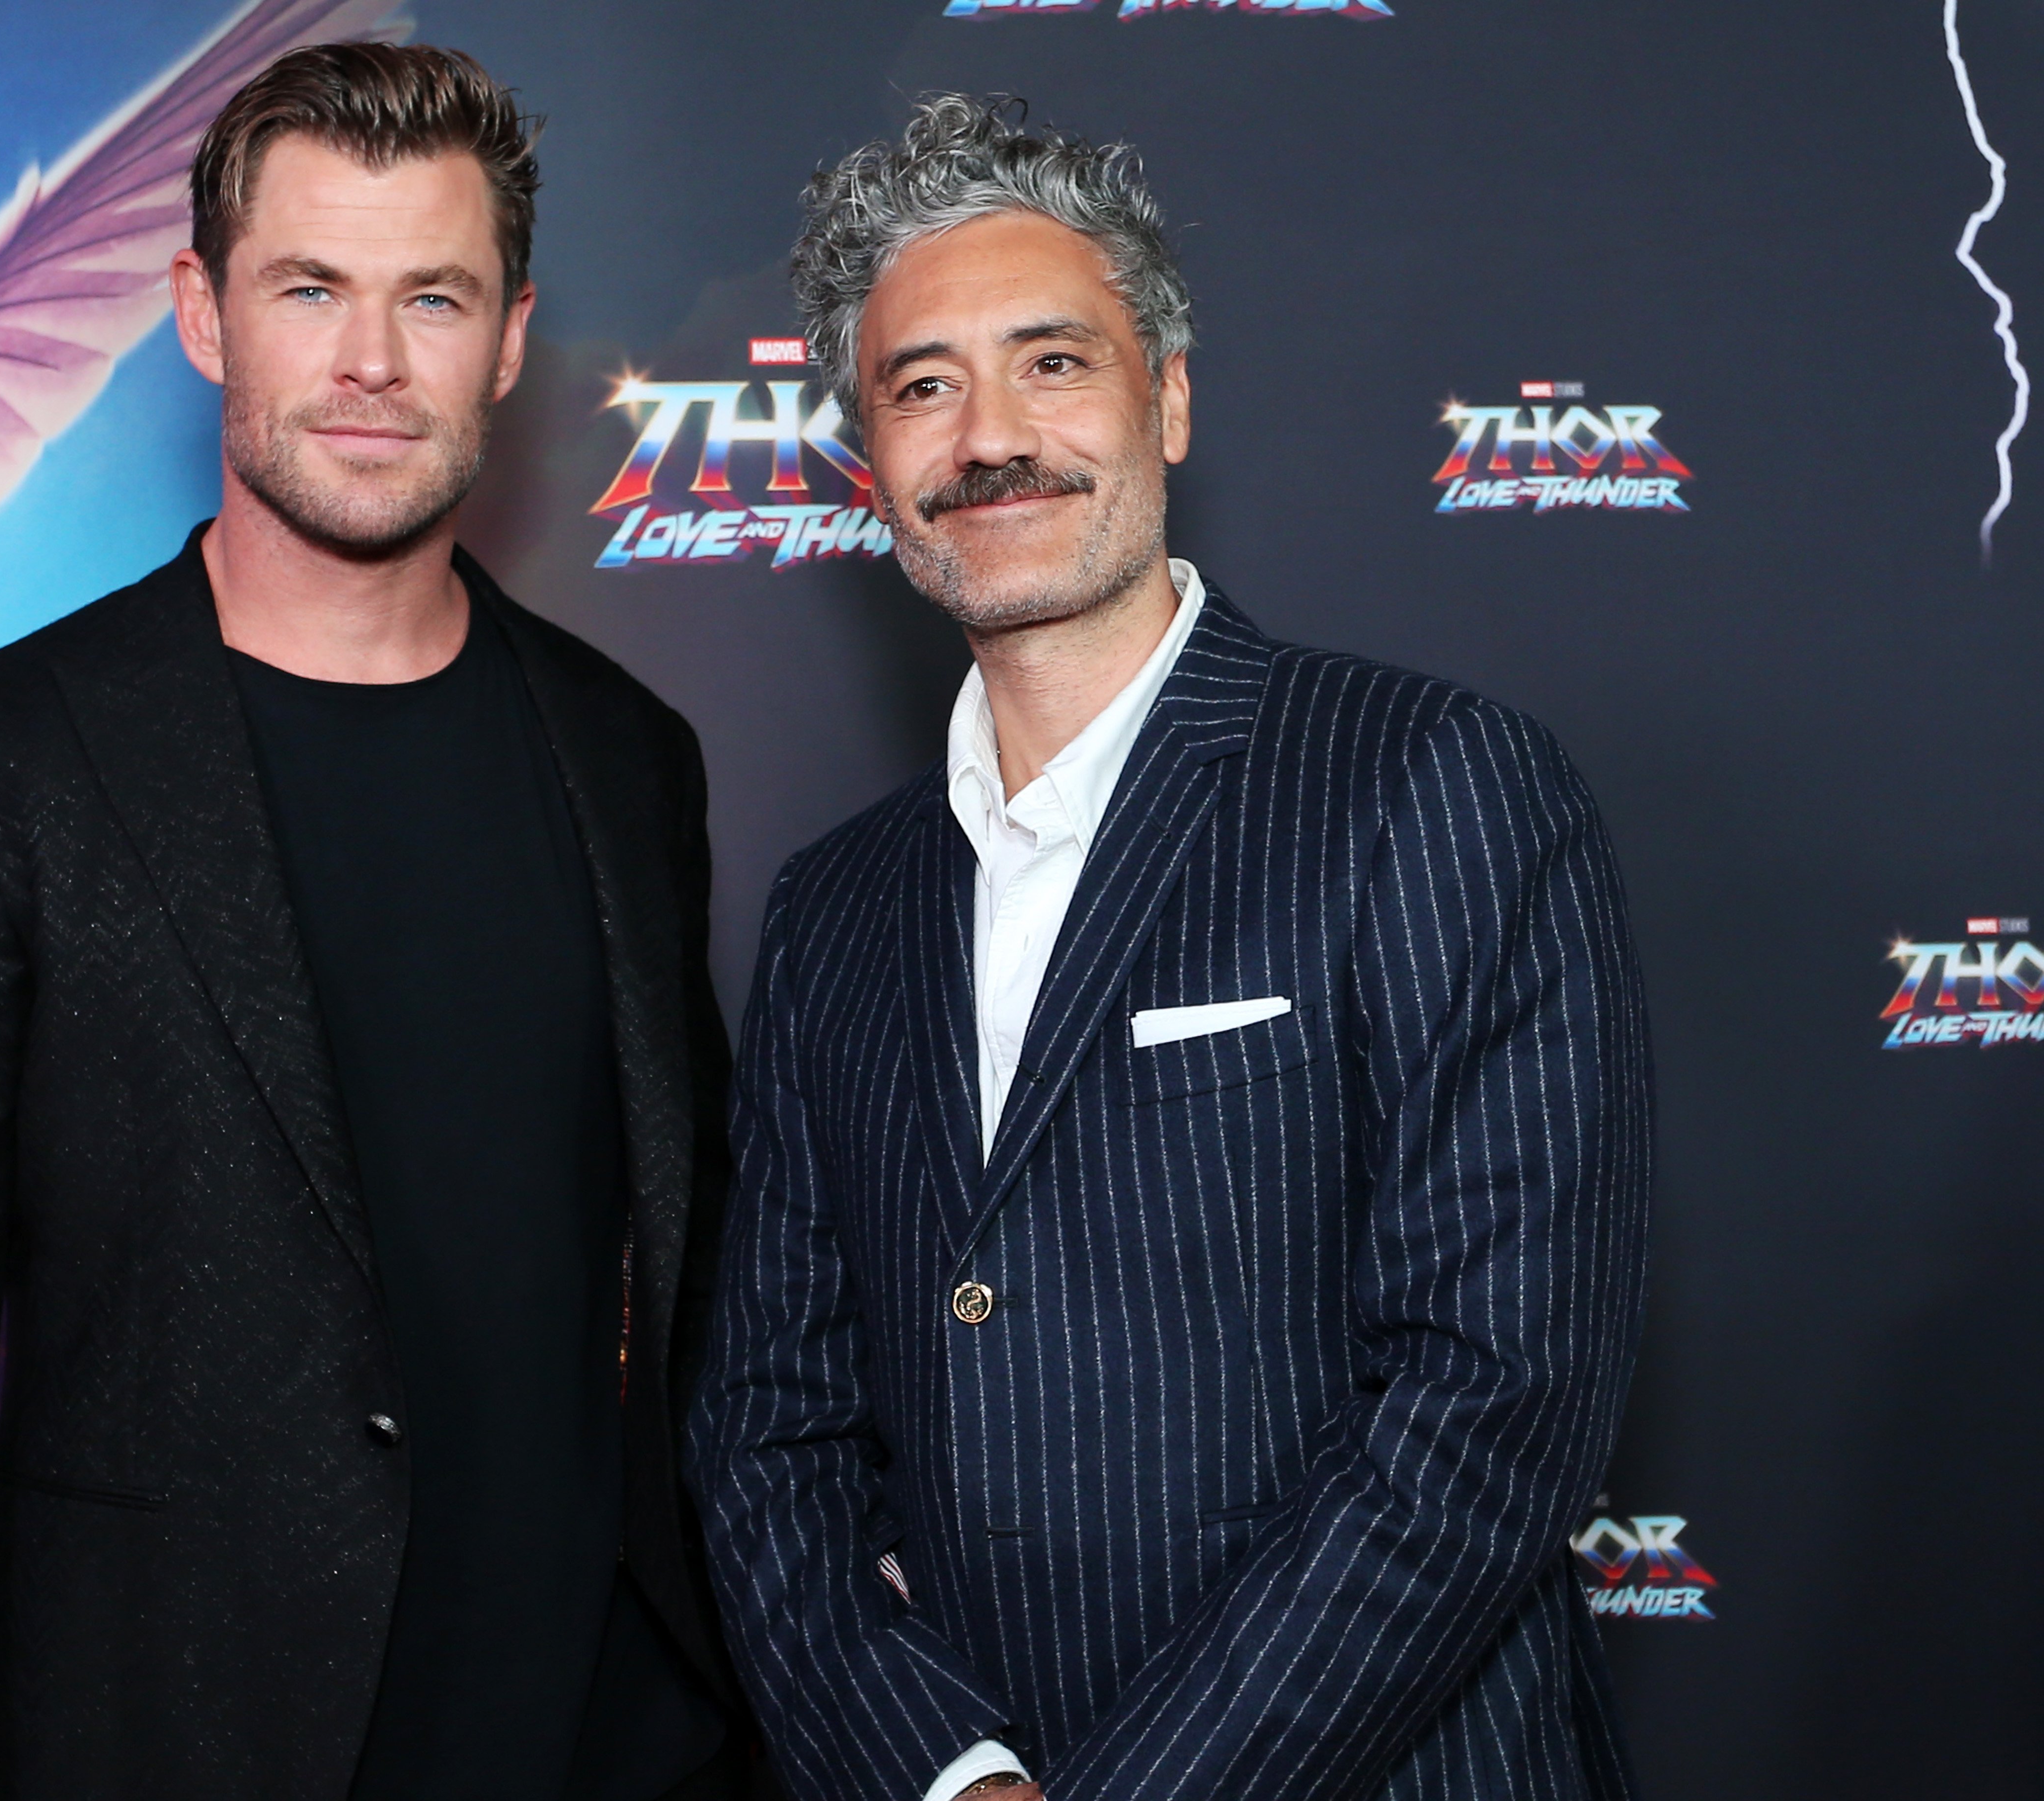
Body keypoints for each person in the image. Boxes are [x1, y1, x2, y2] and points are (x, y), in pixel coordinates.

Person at [0, 44, 745, 1801]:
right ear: (204, 314)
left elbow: (692, 1297)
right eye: (311, 287)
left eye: (431, 297)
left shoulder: (627, 760)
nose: (372, 363)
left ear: (512, 340)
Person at [691, 96, 1651, 1801]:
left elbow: (1489, 1404)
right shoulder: (836, 910)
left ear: (1172, 399)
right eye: (923, 387)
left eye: (1052, 362)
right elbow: (771, 1432)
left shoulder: (1428, 786)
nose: (990, 436)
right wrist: (953, 1772)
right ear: (873, 466)